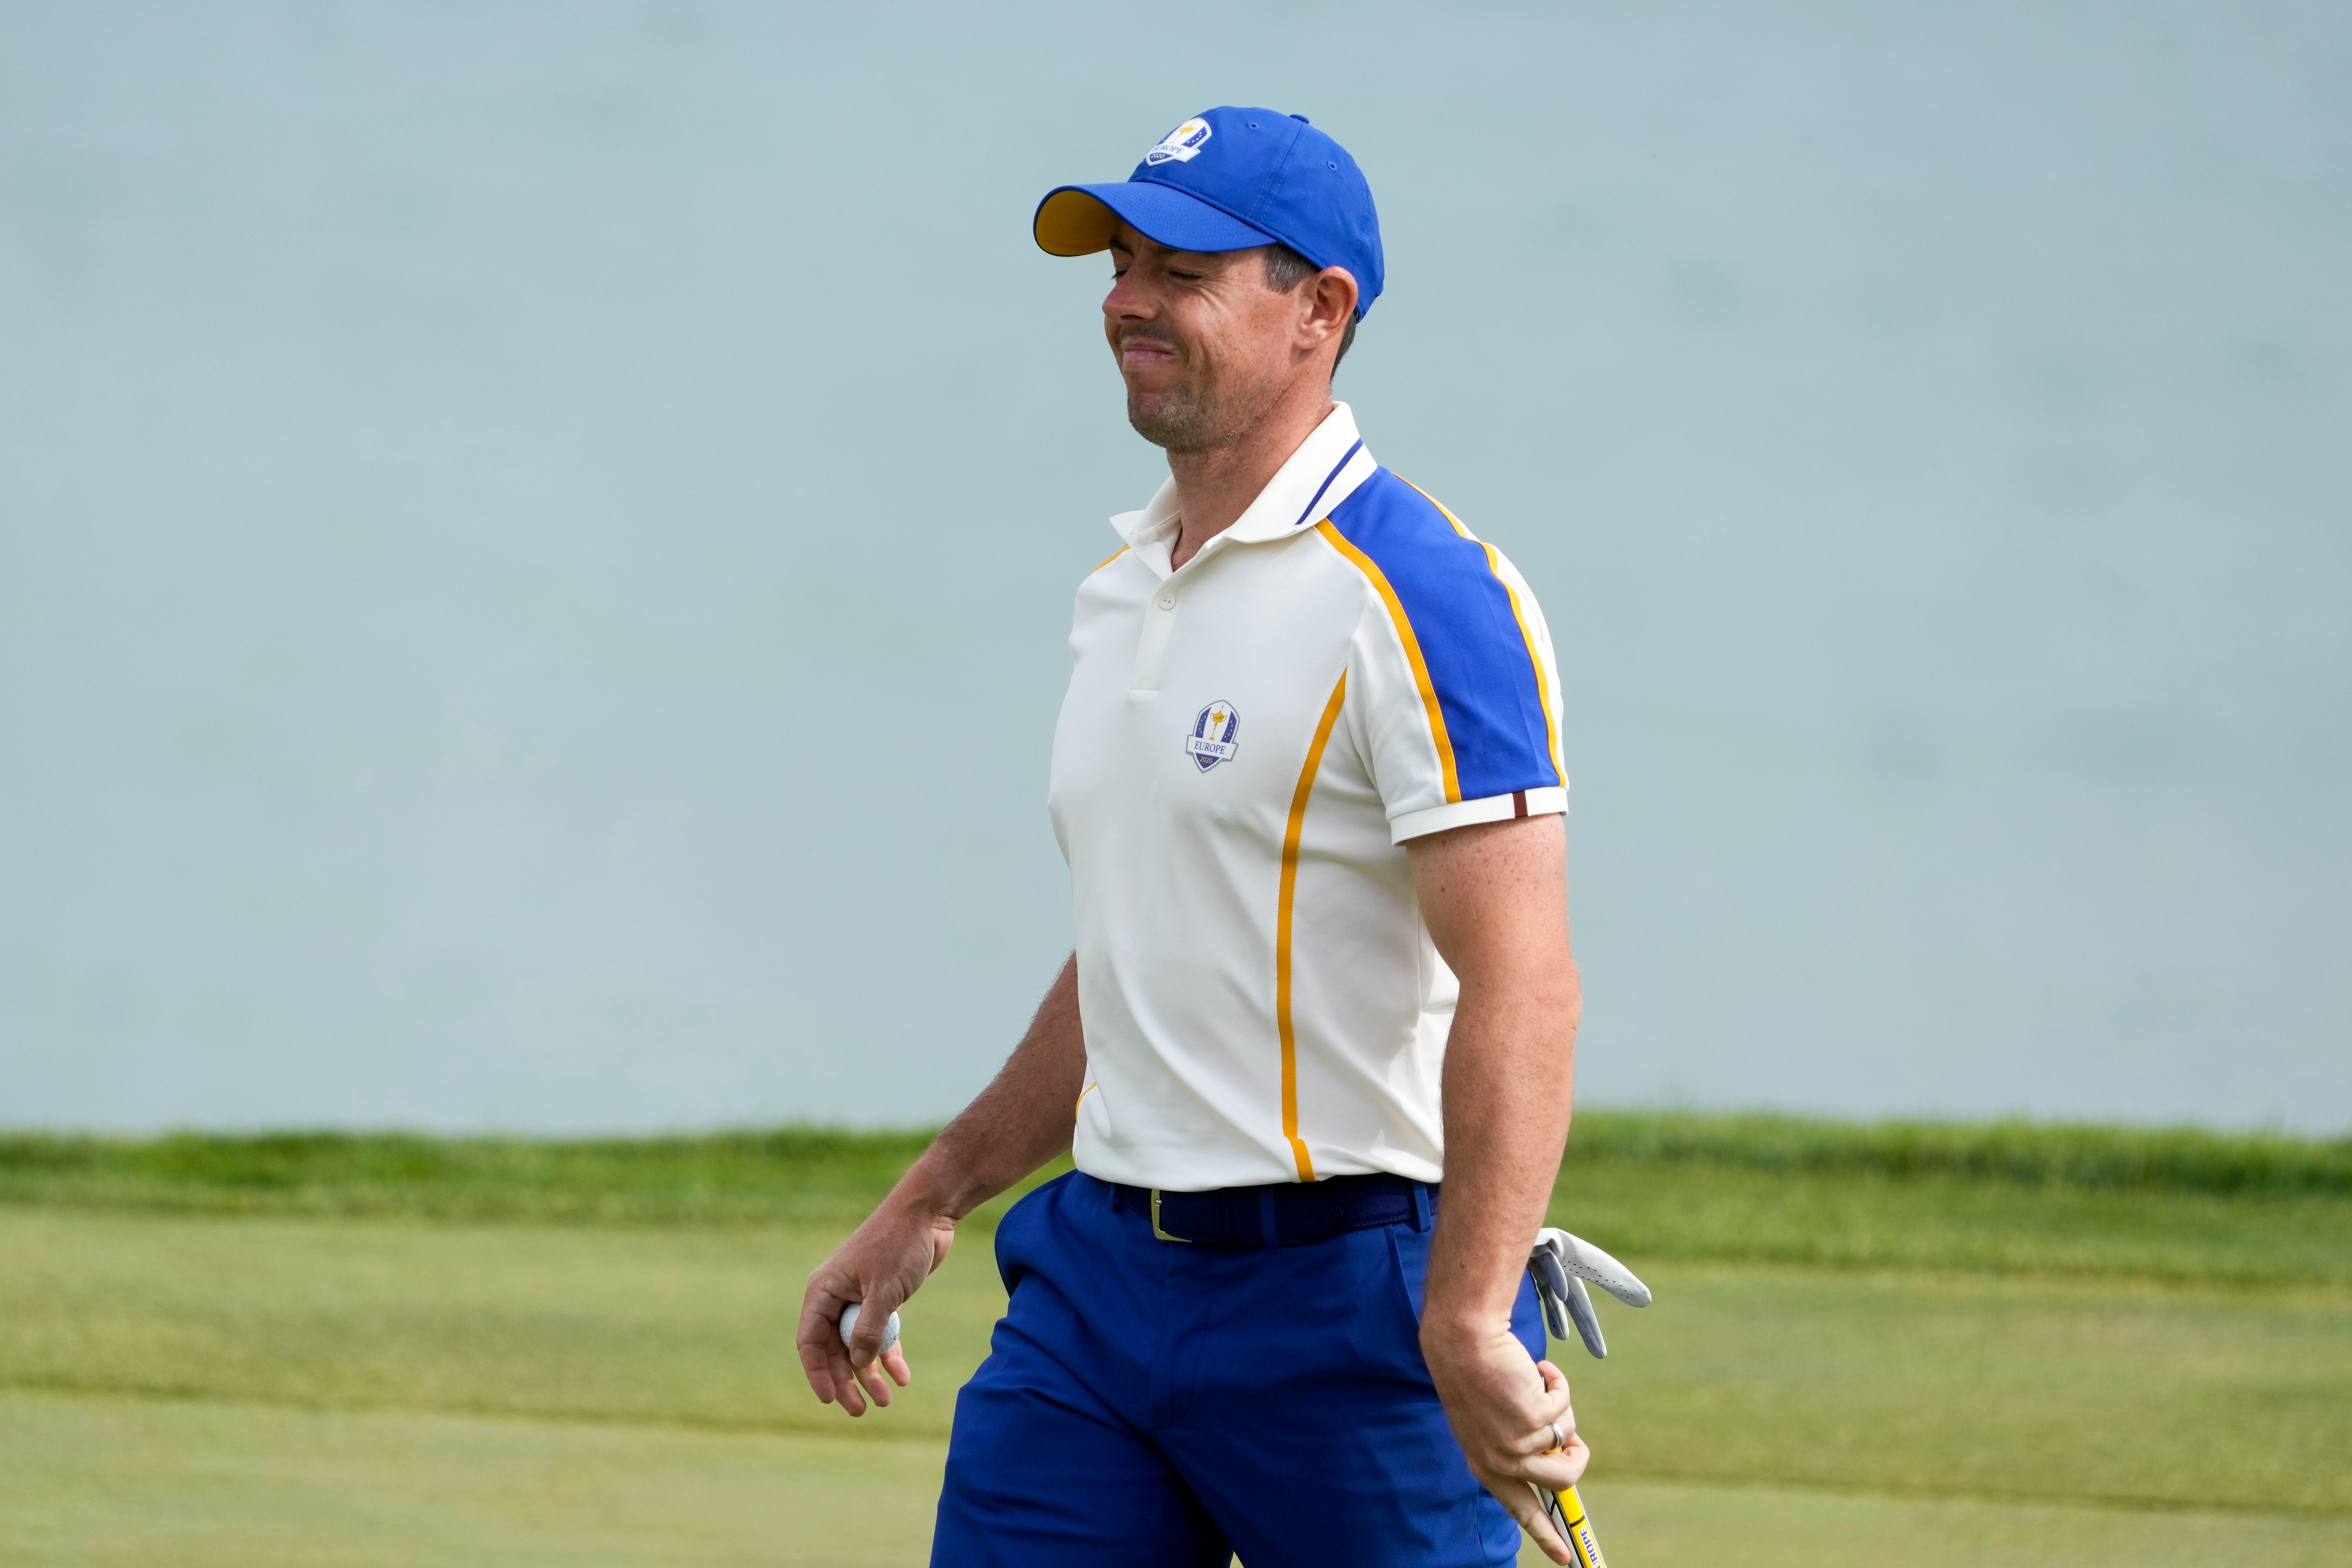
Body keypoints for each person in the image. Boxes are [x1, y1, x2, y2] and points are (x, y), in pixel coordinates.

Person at [796, 106, 1589, 1567]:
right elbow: (1143, 946)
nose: (1125, 301)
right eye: (1120, 264)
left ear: (1318, 311)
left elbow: (1525, 981)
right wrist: (938, 1188)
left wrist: (1470, 1313)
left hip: (1348, 1299)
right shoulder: (1127, 581)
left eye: (1183, 271)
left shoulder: (1426, 596)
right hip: (1096, 1296)